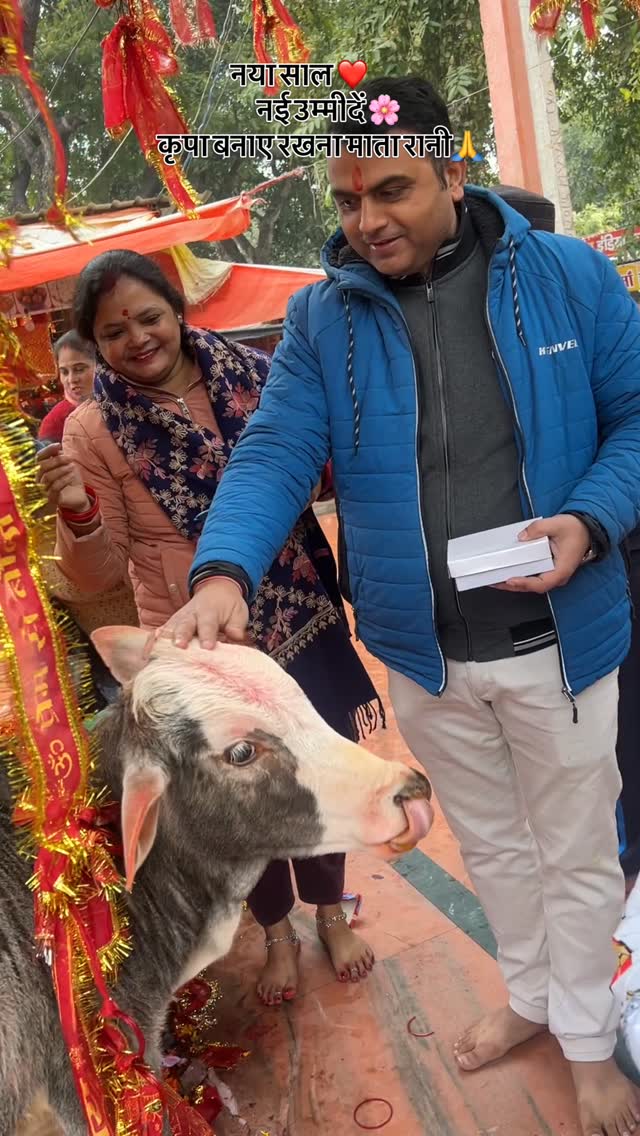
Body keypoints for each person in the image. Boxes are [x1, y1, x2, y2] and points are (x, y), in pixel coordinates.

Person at [156, 76, 640, 1136]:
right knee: (494, 844)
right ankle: (531, 1000)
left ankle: (589, 1042)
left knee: (575, 851)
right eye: (346, 198)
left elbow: (636, 418)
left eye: (392, 190)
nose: (366, 219)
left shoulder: (568, 277)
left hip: (560, 639)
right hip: (424, 655)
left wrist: (588, 520)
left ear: (452, 174)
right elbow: (275, 450)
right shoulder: (323, 319)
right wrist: (223, 571)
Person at [36, 250, 384, 1007]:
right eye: (114, 331)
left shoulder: (255, 376)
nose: (138, 339)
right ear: (96, 343)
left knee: (315, 768)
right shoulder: (93, 428)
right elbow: (97, 573)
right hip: (196, 645)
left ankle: (330, 911)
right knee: (235, 799)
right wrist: (78, 512)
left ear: (177, 309)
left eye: (149, 317)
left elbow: (311, 470)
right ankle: (278, 934)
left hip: (294, 616)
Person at [37, 330, 96, 442]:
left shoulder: (122, 402)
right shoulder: (55, 421)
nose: (71, 379)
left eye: (79, 369)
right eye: (64, 372)